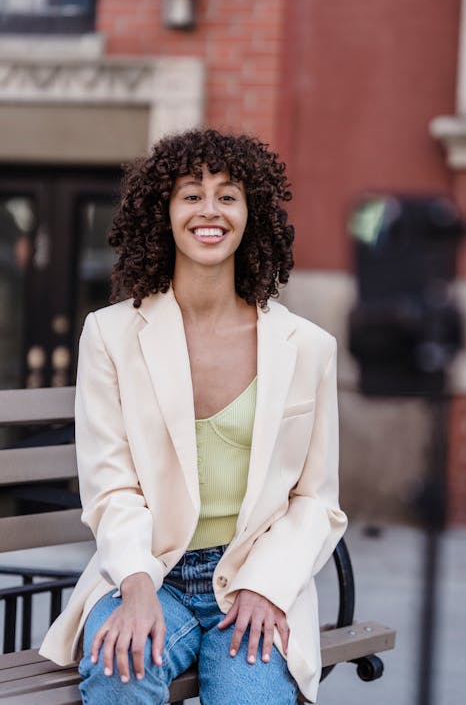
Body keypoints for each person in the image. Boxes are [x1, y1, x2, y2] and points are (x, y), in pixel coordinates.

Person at [39, 128, 348, 704]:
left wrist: (267, 588)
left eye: (228, 196)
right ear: (164, 212)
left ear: (252, 214)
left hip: (254, 580)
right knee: (118, 667)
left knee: (249, 696)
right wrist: (134, 589)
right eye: (191, 194)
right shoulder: (109, 334)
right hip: (152, 573)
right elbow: (112, 486)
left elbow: (315, 499)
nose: (211, 211)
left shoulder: (307, 346)